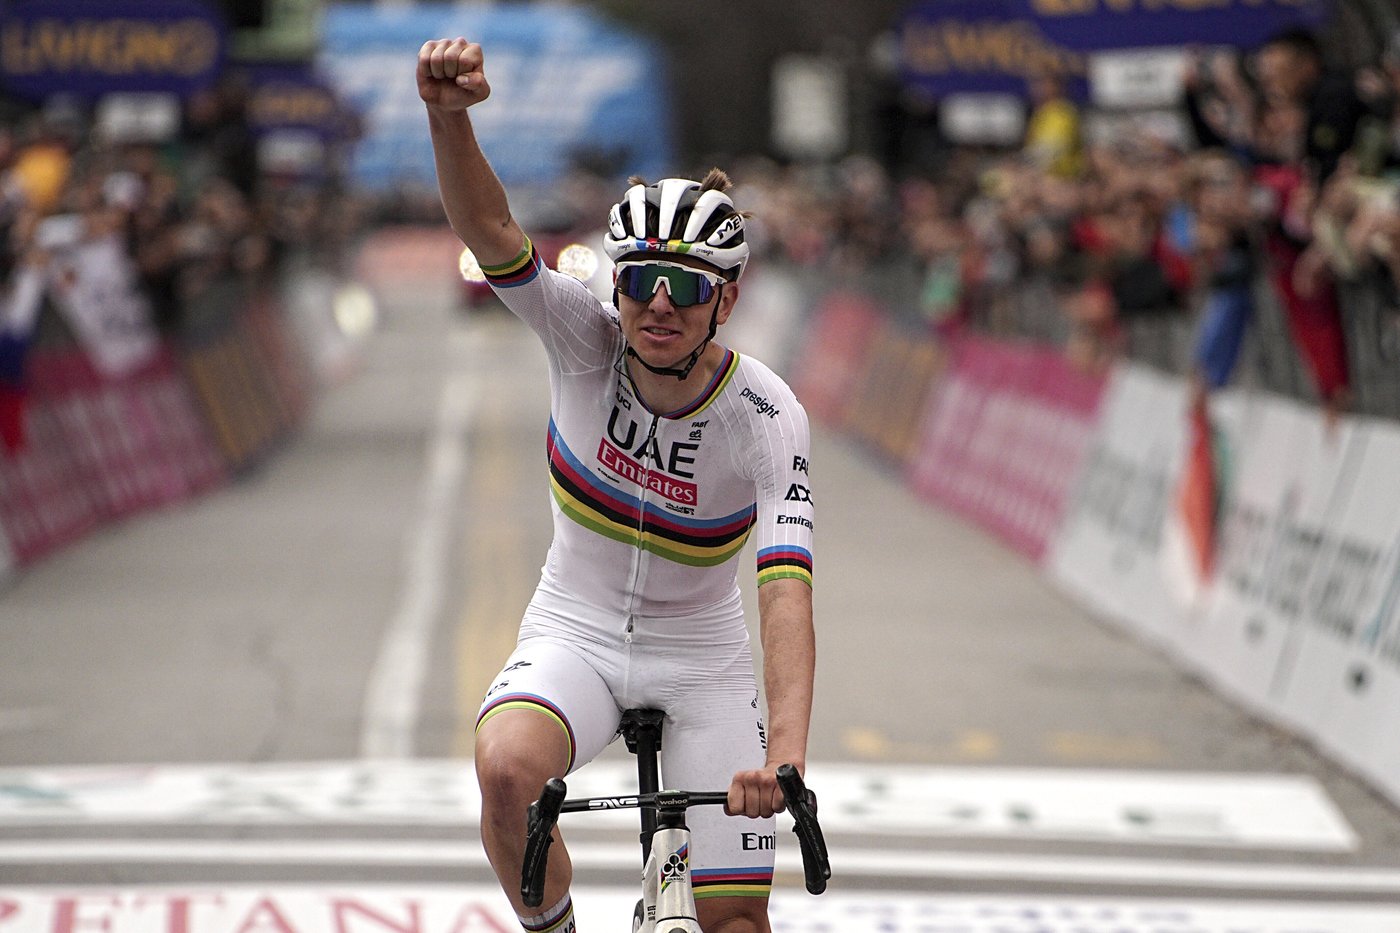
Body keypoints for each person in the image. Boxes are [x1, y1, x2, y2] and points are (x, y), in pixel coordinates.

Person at [417, 37, 816, 933]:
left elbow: (786, 590)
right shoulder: (581, 335)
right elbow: (489, 234)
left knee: (737, 926)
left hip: (704, 656)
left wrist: (783, 758)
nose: (659, 305)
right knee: (505, 769)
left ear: (728, 298)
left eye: (685, 284)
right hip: (578, 629)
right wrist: (450, 117)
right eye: (640, 282)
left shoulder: (766, 413)